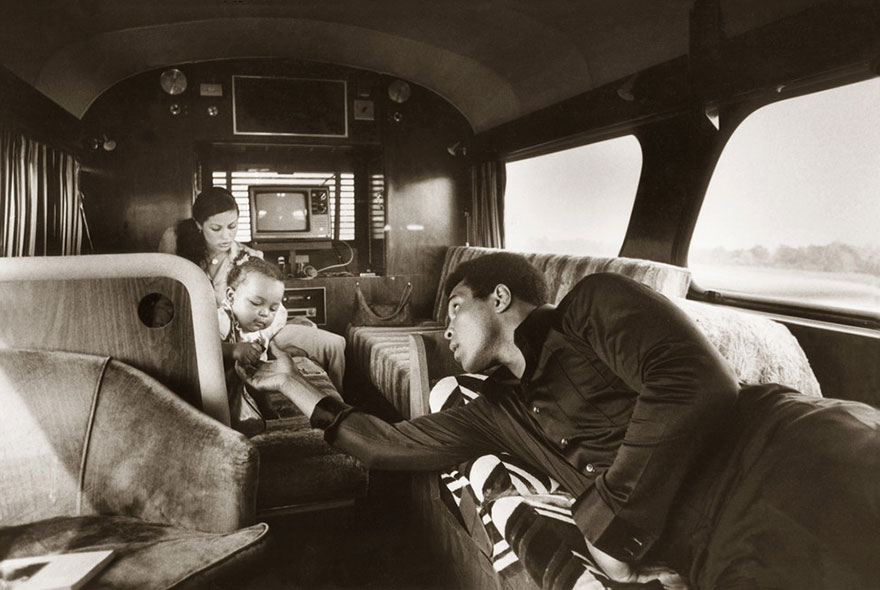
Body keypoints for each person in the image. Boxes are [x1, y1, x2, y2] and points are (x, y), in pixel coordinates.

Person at [241, 252, 880, 589]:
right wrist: (299, 388)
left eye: (454, 307)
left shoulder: (590, 306)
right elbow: (384, 446)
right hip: (716, 548)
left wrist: (610, 530)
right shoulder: (497, 414)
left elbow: (692, 380)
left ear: (500, 299)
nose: (444, 328)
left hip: (785, 455)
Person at [158, 186, 346, 391]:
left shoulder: (250, 258)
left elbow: (276, 312)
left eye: (232, 226)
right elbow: (164, 301)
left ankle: (337, 405)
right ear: (199, 225)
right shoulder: (177, 245)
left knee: (334, 344)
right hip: (203, 338)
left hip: (257, 333)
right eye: (216, 228)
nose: (226, 236)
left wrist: (262, 342)